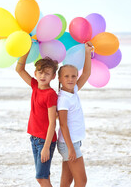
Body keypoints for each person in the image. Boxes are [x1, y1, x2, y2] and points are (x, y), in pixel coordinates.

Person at [16, 49, 59, 187]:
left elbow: (53, 123)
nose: (43, 76)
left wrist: (46, 147)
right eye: (40, 72)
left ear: (53, 76)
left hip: (44, 141)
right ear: (35, 73)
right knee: (44, 176)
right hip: (34, 138)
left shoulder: (50, 94)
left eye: (47, 73)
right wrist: (27, 49)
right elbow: (19, 69)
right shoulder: (35, 86)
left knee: (41, 178)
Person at [57, 42, 93, 187]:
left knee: (67, 181)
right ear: (59, 79)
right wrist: (71, 148)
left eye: (73, 76)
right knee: (82, 181)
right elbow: (63, 125)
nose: (71, 79)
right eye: (66, 76)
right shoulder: (63, 99)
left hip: (72, 142)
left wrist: (87, 52)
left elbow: (87, 73)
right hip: (68, 144)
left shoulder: (74, 91)